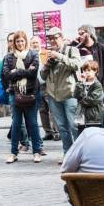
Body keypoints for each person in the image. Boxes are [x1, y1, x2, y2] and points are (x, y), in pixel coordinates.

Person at [3, 30, 46, 163]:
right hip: (14, 93)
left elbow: (33, 74)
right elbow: (6, 74)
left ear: (25, 42)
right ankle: (13, 152)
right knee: (16, 124)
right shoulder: (9, 57)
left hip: (31, 93)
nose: (20, 43)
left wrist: (16, 71)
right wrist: (25, 71)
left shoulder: (33, 54)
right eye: (17, 41)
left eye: (22, 41)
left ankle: (37, 151)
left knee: (32, 123)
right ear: (14, 43)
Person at [41, 27, 80, 159]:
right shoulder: (48, 54)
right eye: (50, 39)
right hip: (53, 95)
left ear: (62, 37)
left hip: (69, 93)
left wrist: (59, 56)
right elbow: (42, 75)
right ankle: (68, 154)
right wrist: (46, 65)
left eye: (55, 37)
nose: (53, 41)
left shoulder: (71, 50)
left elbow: (76, 65)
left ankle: (80, 154)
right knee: (62, 127)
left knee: (74, 125)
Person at [77, 24, 104, 126]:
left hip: (97, 82)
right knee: (91, 109)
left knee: (98, 106)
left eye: (82, 33)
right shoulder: (78, 48)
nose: (79, 36)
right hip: (83, 82)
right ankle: (99, 128)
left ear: (89, 33)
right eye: (78, 34)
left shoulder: (99, 47)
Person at [31, 36, 59, 142]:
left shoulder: (45, 54)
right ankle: (48, 132)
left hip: (47, 84)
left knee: (52, 108)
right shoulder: (29, 56)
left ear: (40, 43)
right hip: (36, 86)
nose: (35, 44)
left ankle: (56, 132)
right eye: (33, 43)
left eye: (36, 42)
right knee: (42, 110)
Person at [74, 60, 104, 136]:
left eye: (89, 70)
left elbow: (92, 100)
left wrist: (80, 99)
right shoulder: (82, 83)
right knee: (81, 138)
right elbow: (76, 95)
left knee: (93, 138)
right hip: (81, 117)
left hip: (93, 118)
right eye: (85, 70)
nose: (87, 72)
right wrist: (80, 83)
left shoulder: (97, 84)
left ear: (95, 71)